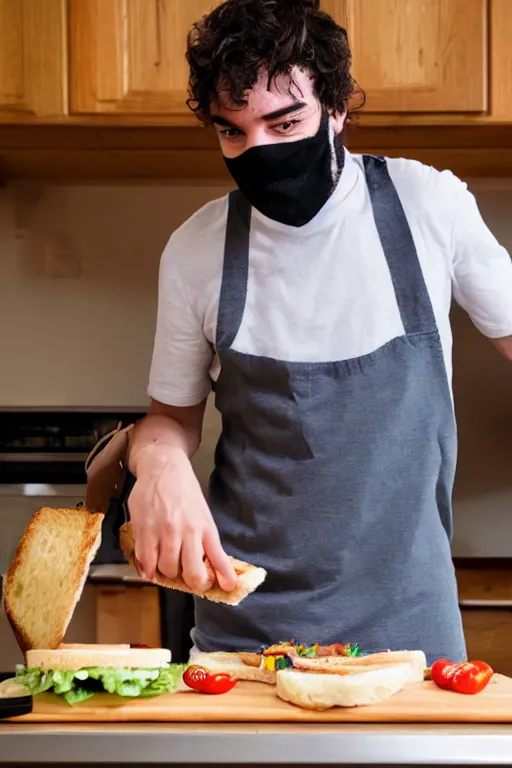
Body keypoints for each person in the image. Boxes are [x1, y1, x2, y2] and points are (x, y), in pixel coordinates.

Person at [126, 0, 512, 665]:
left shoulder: (427, 205)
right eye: (233, 132)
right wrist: (156, 461)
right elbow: (170, 420)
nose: (260, 151)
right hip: (243, 635)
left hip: (409, 632)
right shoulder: (196, 251)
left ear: (337, 109)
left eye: (286, 122)